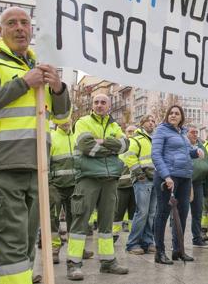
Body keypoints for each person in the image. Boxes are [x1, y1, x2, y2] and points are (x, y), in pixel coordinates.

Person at [0, 7, 71, 283]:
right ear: (0, 31)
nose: (20, 27)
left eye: (25, 22)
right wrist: (23, 83)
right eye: (11, 23)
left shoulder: (39, 66)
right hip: (3, 164)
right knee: (10, 246)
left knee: (25, 242)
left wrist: (58, 88)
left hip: (38, 167)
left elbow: (62, 117)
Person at [66, 94, 129, 279]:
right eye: (96, 102)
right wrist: (112, 148)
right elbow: (87, 146)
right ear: (91, 105)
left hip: (110, 179)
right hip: (88, 177)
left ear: (109, 105)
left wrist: (102, 141)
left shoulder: (114, 125)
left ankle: (108, 262)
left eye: (103, 102)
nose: (99, 105)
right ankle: (73, 264)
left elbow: (126, 144)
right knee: (81, 220)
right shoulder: (83, 122)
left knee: (107, 222)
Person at [152, 105, 199, 264]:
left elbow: (183, 154)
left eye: (177, 113)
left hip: (185, 177)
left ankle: (178, 250)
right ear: (167, 116)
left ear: (181, 117)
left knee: (183, 214)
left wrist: (195, 152)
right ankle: (159, 252)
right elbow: (156, 155)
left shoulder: (183, 133)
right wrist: (166, 176)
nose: (173, 115)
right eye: (171, 113)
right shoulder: (161, 130)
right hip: (168, 178)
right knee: (163, 213)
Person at [49, 122, 91, 264]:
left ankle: (77, 249)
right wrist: (49, 183)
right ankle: (54, 250)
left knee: (75, 218)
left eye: (68, 119)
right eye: (63, 119)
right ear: (56, 121)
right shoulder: (51, 137)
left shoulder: (77, 138)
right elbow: (44, 162)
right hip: (55, 186)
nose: (66, 122)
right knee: (52, 219)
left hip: (75, 186)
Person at [125, 115, 157, 255]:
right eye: (149, 121)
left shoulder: (155, 140)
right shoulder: (136, 139)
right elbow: (129, 157)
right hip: (143, 180)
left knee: (151, 214)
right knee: (142, 213)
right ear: (142, 124)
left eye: (153, 121)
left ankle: (148, 242)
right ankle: (132, 244)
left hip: (155, 179)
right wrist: (140, 175)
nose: (151, 123)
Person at [113, 125, 138, 242]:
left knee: (133, 213)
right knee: (118, 212)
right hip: (121, 186)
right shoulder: (121, 148)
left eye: (133, 131)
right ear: (125, 133)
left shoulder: (137, 146)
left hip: (134, 185)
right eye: (129, 131)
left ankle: (133, 237)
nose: (131, 133)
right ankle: (113, 234)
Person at [188, 124, 208, 248]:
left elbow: (206, 162)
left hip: (199, 183)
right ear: (186, 133)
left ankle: (197, 239)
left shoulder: (201, 145)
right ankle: (177, 241)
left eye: (196, 132)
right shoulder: (183, 145)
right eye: (192, 132)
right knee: (180, 212)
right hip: (185, 182)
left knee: (197, 212)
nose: (195, 134)